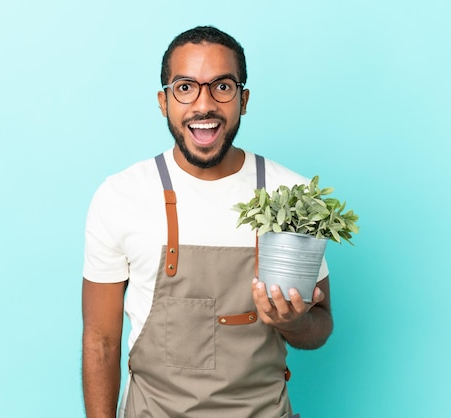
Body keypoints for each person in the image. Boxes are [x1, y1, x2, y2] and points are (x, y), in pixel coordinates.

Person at [81, 25, 333, 418]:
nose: (204, 105)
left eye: (222, 86)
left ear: (243, 99)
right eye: (185, 87)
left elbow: (320, 325)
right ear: (163, 101)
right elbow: (100, 340)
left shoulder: (293, 196)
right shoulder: (120, 196)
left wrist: (295, 323)